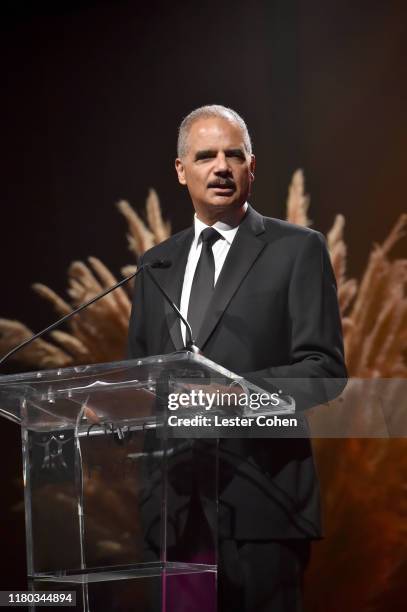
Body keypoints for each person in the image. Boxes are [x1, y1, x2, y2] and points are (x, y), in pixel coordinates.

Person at [128, 105, 347, 612]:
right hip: (175, 512)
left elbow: (324, 371)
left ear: (253, 166)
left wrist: (238, 395)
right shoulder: (156, 263)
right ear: (181, 170)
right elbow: (139, 377)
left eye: (234, 154)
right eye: (206, 156)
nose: (221, 166)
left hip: (263, 505)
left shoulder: (297, 251)